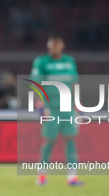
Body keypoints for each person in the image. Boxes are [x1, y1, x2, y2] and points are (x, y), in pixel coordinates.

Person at [30, 34, 83, 186]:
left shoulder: (69, 62)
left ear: (62, 46)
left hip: (68, 108)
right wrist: (39, 102)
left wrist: (78, 104)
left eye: (57, 45)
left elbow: (74, 83)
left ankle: (72, 177)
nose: (54, 48)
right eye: (51, 45)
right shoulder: (42, 62)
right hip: (51, 107)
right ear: (48, 47)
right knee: (50, 140)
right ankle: (42, 175)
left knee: (71, 140)